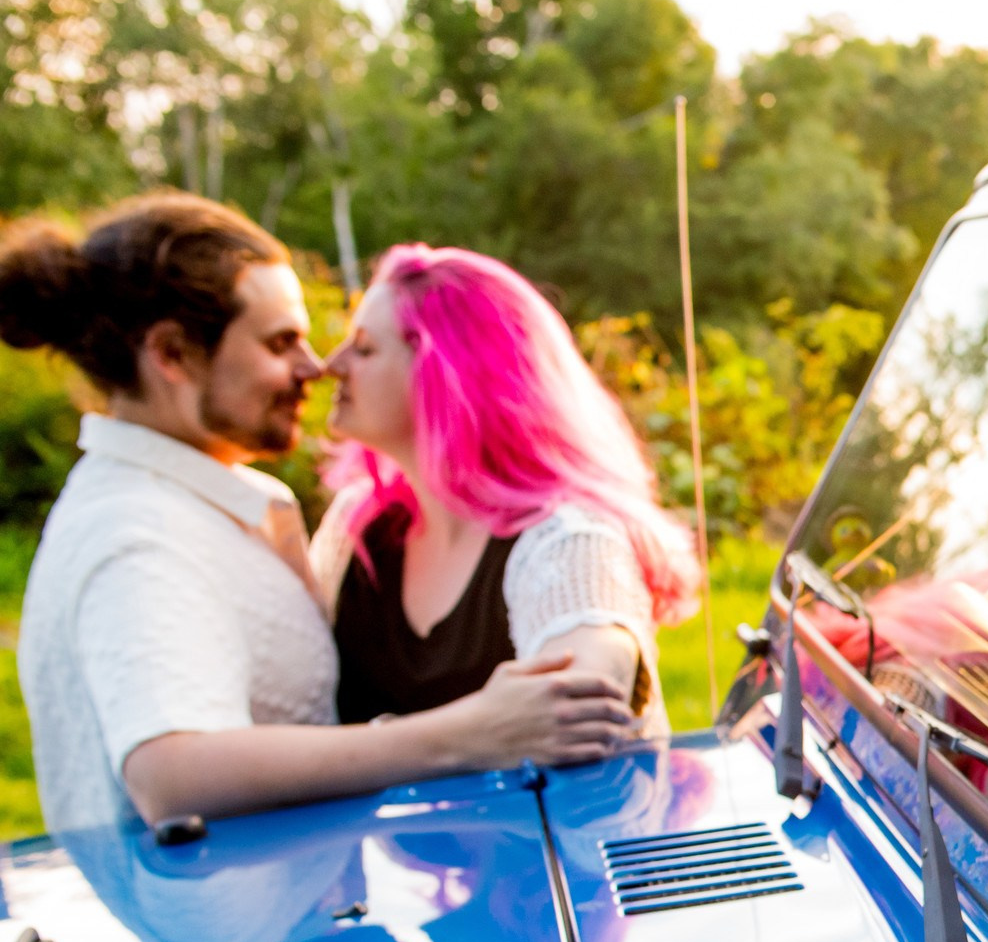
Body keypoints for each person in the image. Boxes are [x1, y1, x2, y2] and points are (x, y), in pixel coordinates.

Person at [0, 193, 634, 836]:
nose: (317, 366)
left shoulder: (217, 510)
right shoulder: (138, 534)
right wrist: (465, 734)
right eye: (281, 343)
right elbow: (171, 773)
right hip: (227, 924)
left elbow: (586, 682)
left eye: (356, 346)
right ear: (172, 356)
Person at [313, 244, 698, 732]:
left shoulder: (566, 538)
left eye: (364, 348)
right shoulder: (357, 529)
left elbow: (580, 704)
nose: (331, 364)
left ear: (446, 373)